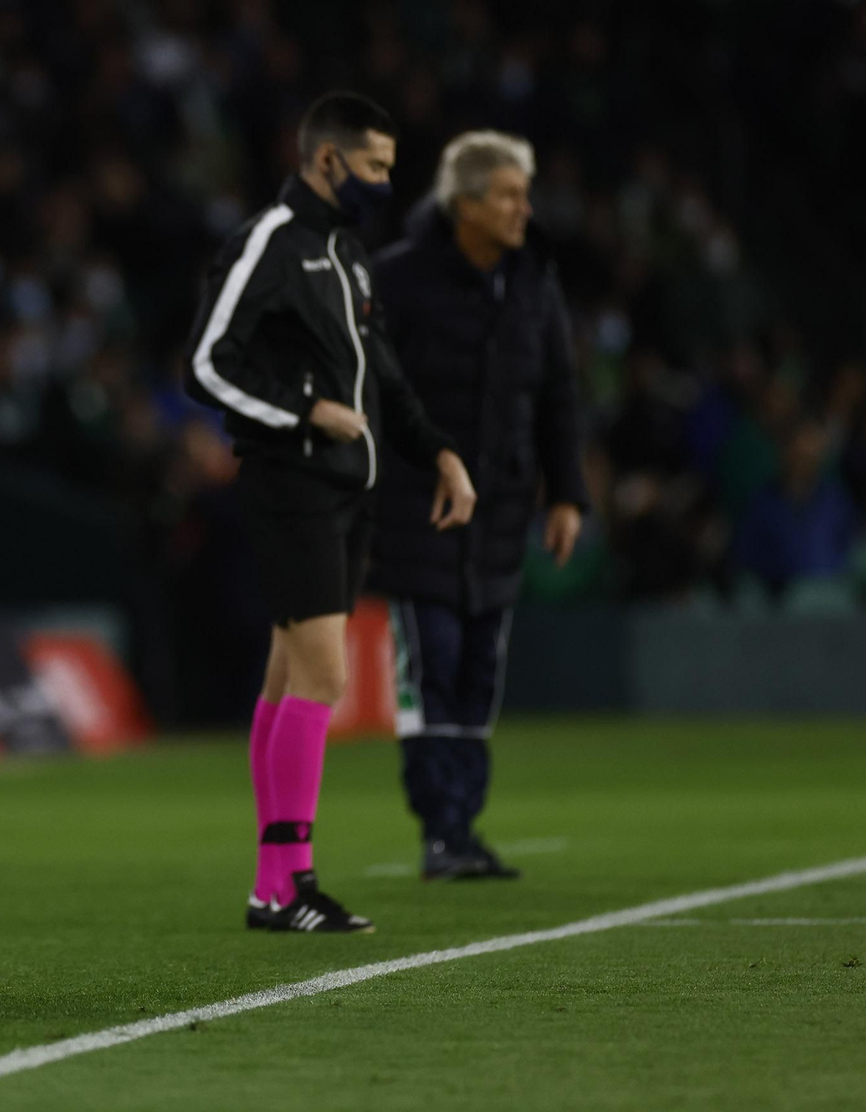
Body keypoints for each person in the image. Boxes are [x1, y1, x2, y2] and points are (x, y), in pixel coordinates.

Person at [185, 91, 477, 933]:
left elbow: (380, 370)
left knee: (288, 678)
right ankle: (289, 882)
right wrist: (302, 410)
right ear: (326, 159)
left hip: (349, 490)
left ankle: (272, 887)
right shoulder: (268, 244)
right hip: (291, 484)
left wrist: (439, 449)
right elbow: (206, 363)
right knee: (323, 677)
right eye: (376, 166)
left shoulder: (346, 249)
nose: (386, 181)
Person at [369, 131, 588, 880]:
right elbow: (370, 391)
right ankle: (442, 825)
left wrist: (565, 494)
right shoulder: (397, 281)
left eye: (524, 194)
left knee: (477, 674)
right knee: (433, 663)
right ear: (463, 204)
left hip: (499, 513)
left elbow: (559, 395)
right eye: (507, 195)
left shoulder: (532, 284)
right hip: (417, 511)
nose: (524, 208)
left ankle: (461, 825)